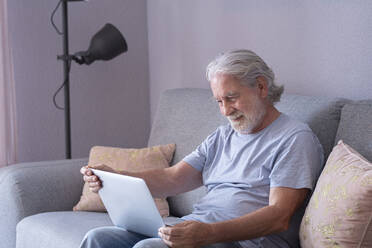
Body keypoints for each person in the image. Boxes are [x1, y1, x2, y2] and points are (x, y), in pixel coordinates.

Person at [79, 49, 324, 248]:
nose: (226, 111)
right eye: (219, 101)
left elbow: (279, 216)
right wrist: (113, 177)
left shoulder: (294, 138)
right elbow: (172, 178)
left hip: (241, 243)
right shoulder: (223, 136)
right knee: (99, 239)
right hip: (196, 231)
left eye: (232, 98)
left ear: (261, 87)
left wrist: (208, 233)